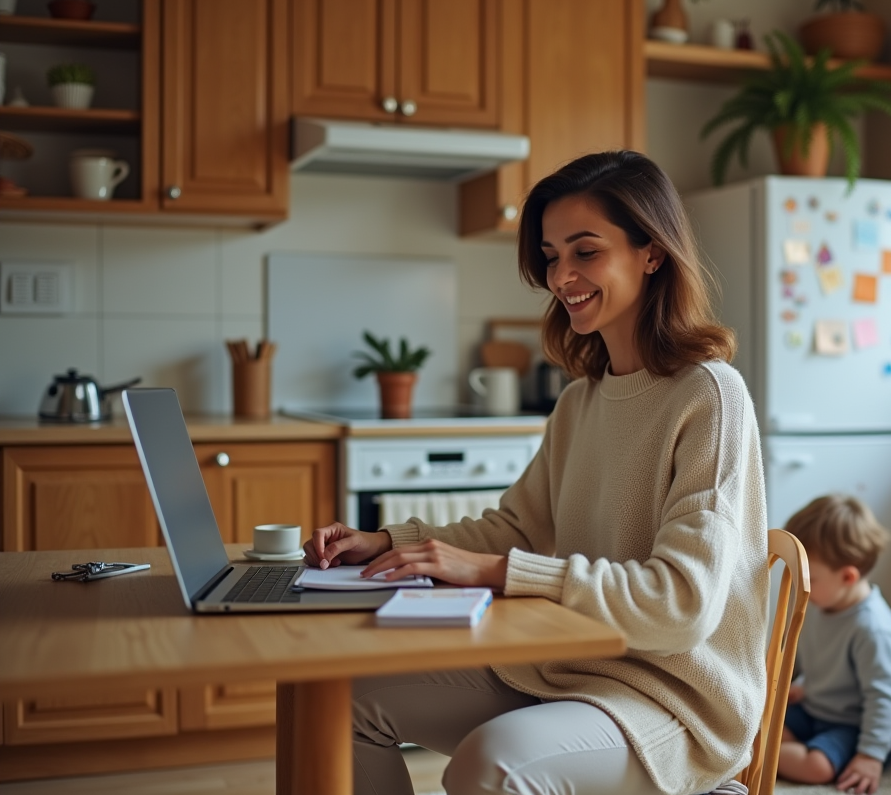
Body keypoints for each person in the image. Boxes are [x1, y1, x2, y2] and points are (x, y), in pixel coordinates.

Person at [302, 150, 769, 795]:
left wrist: (496, 572)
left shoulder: (710, 396)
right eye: (551, 256)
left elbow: (681, 607)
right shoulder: (582, 400)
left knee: (489, 762)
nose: (561, 276)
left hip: (674, 703)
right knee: (339, 702)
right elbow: (517, 526)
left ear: (651, 252)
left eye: (585, 251)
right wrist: (390, 544)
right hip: (569, 671)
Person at [777, 494, 891, 795]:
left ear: (847, 576)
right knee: (754, 712)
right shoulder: (820, 603)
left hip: (856, 726)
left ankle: (763, 751)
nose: (801, 585)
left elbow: (884, 700)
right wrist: (793, 685)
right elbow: (802, 655)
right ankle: (776, 745)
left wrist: (870, 756)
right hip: (815, 708)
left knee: (817, 769)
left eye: (810, 578)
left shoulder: (874, 630)